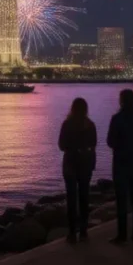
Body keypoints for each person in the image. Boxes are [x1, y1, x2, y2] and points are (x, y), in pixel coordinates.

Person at [106, 89, 133, 245]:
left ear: (122, 101)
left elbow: (110, 141)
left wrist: (121, 146)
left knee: (122, 200)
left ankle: (122, 234)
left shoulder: (117, 118)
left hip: (120, 164)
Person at [58, 97, 97, 244]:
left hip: (70, 165)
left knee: (71, 199)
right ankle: (84, 232)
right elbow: (93, 144)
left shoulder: (67, 124)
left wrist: (71, 148)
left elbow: (61, 145)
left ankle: (72, 233)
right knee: (84, 197)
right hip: (85, 165)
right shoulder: (90, 125)